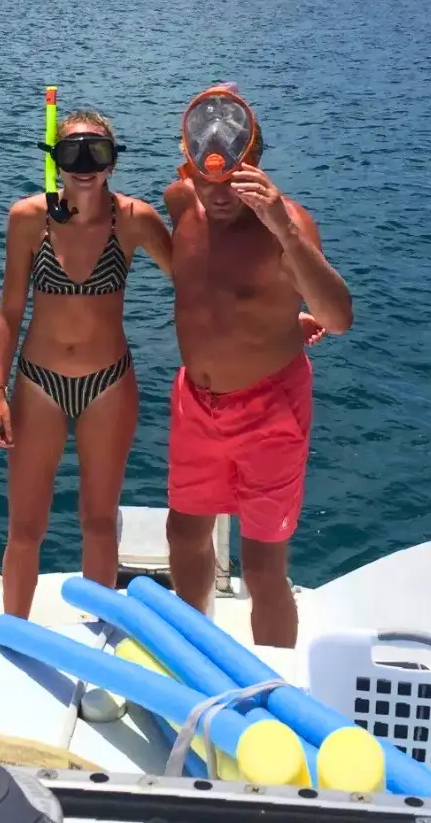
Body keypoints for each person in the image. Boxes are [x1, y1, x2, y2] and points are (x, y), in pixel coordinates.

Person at [163, 84, 354, 648]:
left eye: (234, 180)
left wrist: (286, 232)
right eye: (207, 179)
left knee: (264, 567)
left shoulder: (286, 223)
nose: (220, 195)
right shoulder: (181, 204)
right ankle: (195, 651)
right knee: (184, 533)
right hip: (196, 404)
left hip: (270, 408)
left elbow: (338, 316)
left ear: (255, 168)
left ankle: (274, 692)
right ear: (189, 166)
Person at [0, 109, 173, 618]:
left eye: (98, 152)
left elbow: (194, 280)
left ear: (113, 162)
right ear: (56, 159)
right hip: (37, 383)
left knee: (97, 520)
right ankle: (14, 635)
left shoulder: (134, 219)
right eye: (73, 152)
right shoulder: (28, 217)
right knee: (25, 526)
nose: (85, 165)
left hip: (108, 383)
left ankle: (101, 636)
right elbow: (9, 309)